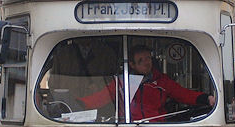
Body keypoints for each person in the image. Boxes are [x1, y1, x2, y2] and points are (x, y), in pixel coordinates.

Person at [79, 44, 215, 122]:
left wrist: (206, 98)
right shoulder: (121, 82)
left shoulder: (162, 81)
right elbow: (100, 98)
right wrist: (78, 104)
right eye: (141, 60)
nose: (147, 62)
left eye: (148, 58)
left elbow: (183, 94)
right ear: (131, 64)